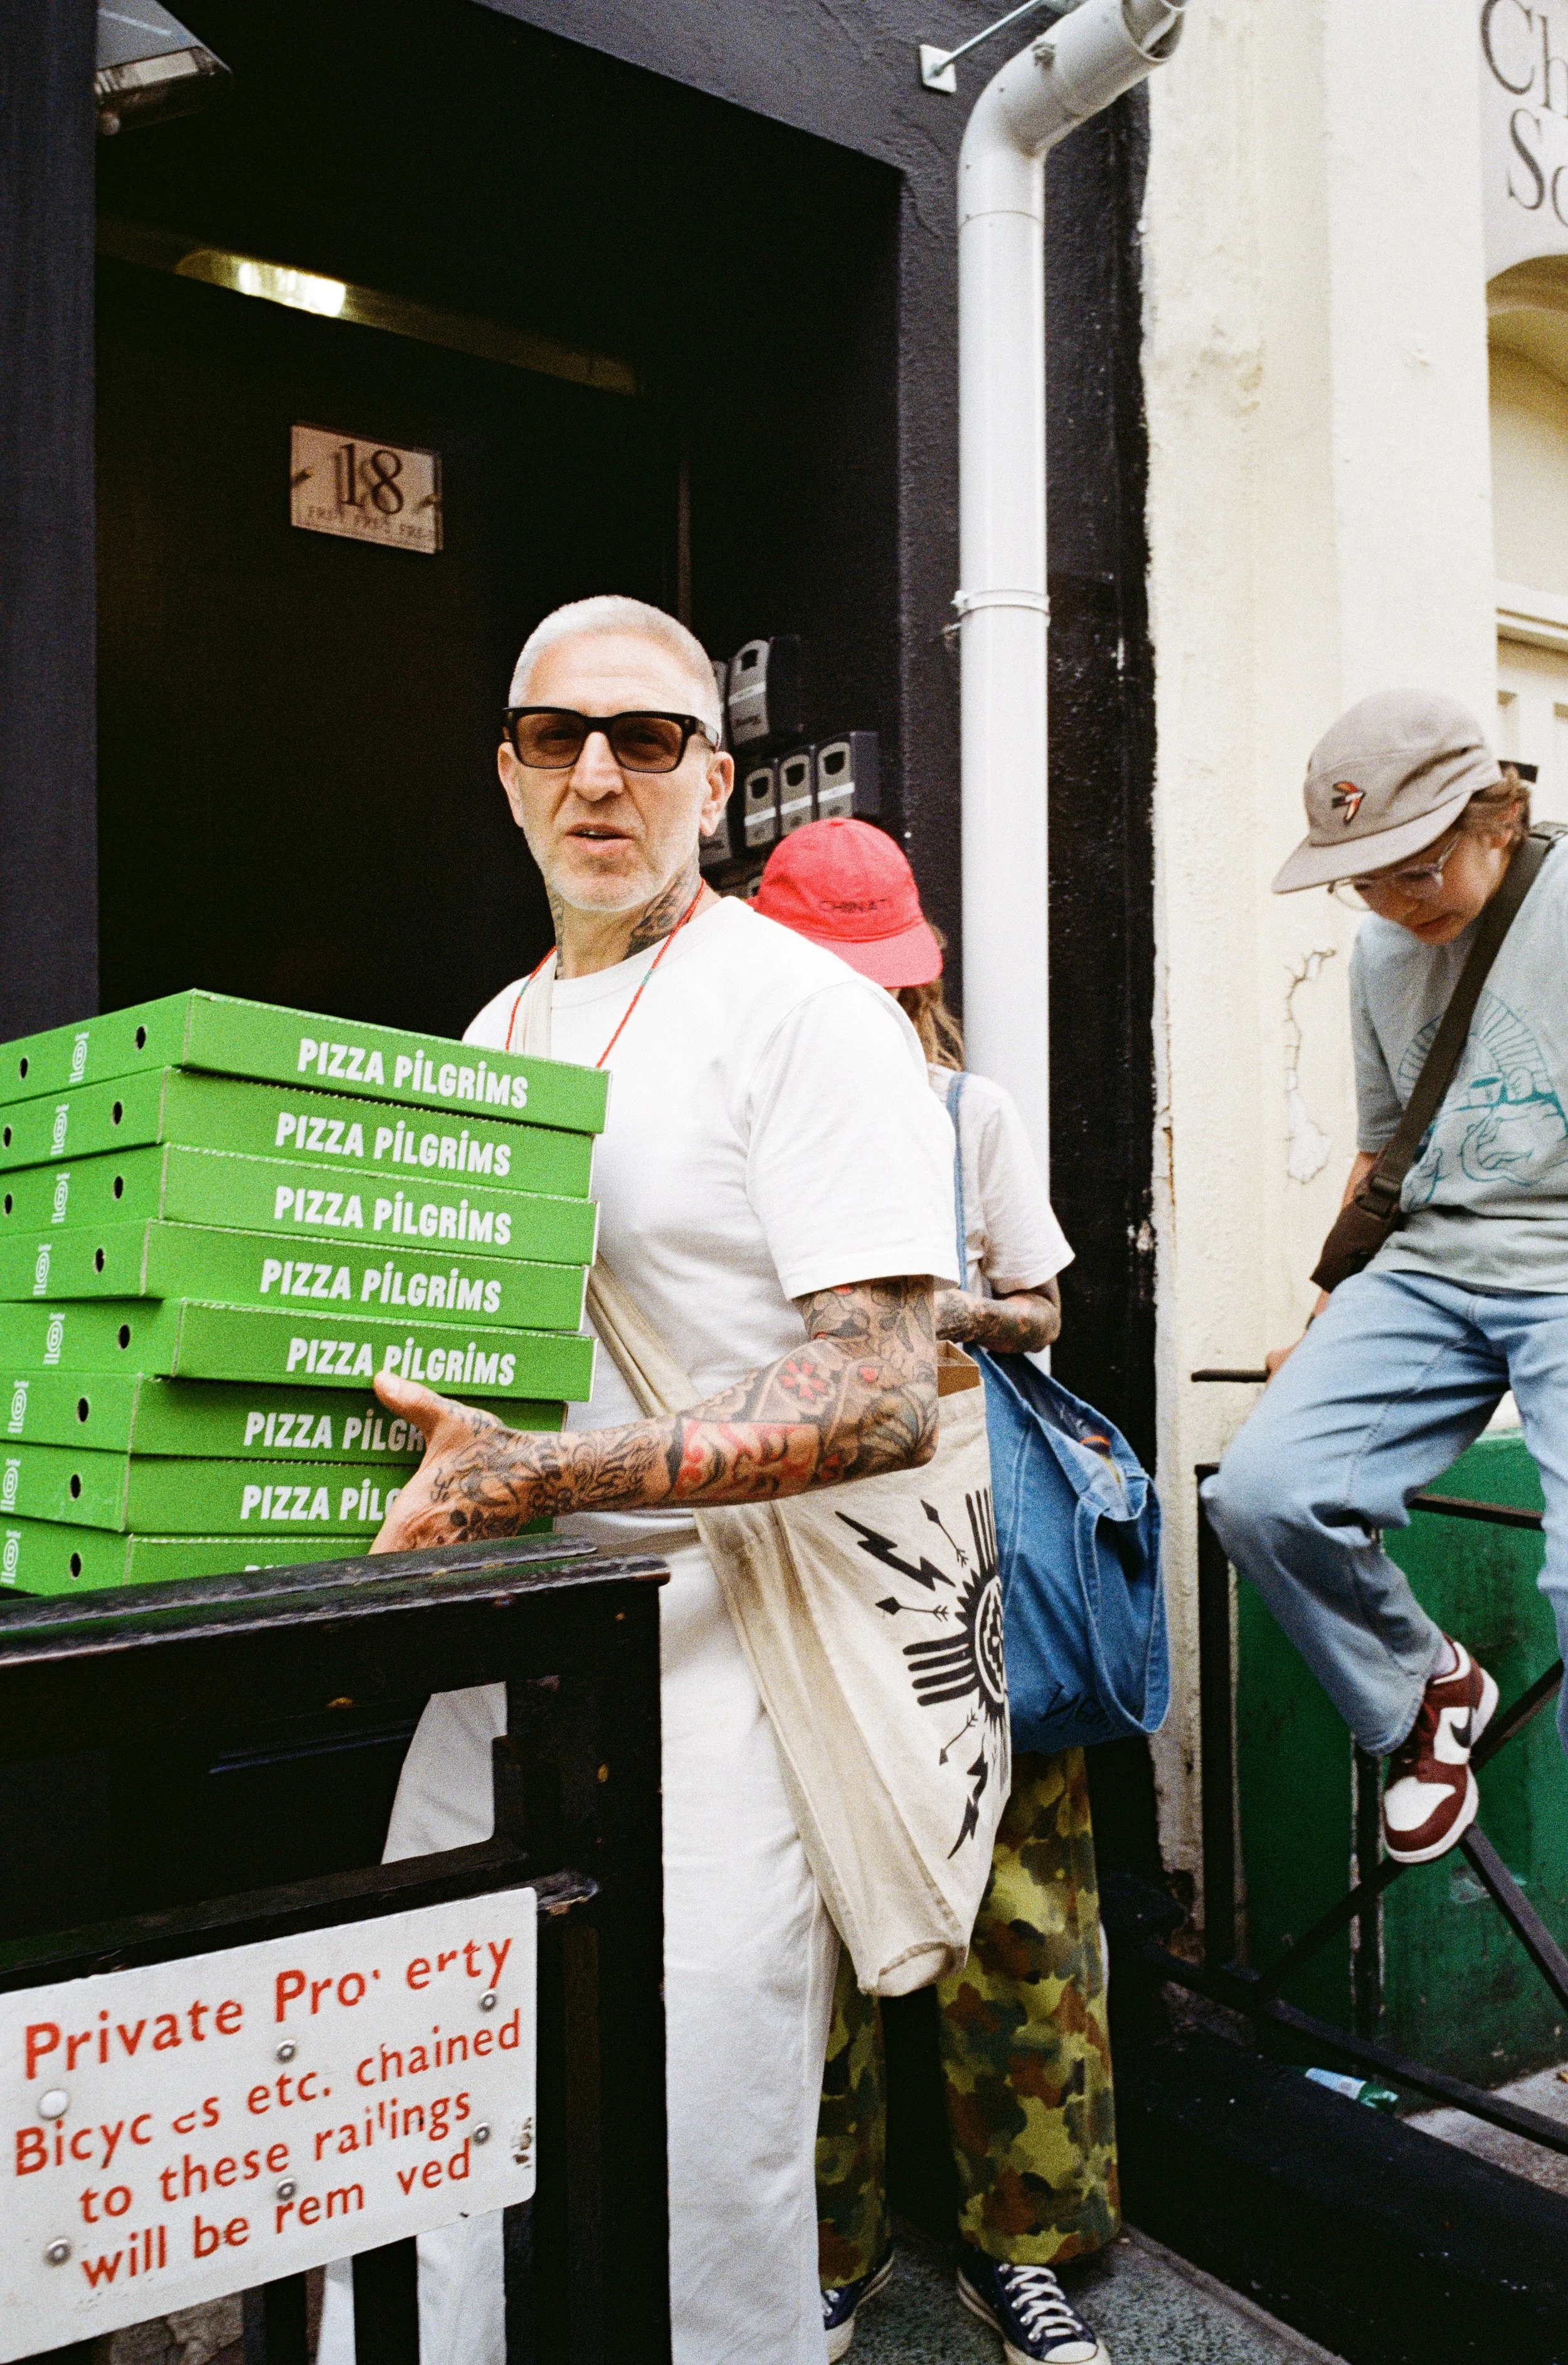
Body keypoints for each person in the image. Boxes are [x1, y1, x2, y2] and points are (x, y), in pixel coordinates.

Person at [315, 597, 958, 2365]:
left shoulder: (805, 1014)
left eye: (649, 738)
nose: (598, 774)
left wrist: (542, 1478)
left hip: (724, 1670)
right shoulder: (495, 1027)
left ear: (714, 781)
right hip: (494, 1660)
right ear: (507, 773)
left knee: (696, 2164)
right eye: (557, 736)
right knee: (423, 2120)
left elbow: (883, 1391)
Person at [756, 817, 1118, 2365]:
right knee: (803, 1903)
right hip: (786, 1544)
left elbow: (1041, 1307)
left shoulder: (967, 1110)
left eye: (882, 978)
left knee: (1017, 1899)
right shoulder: (735, 1104)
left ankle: (1024, 2246)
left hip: (972, 1543)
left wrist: (915, 1305)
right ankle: (815, 2248)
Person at [1207, 688, 1568, 1869]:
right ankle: (1424, 1687)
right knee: (1262, 1492)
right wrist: (1324, 1321)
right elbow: (1381, 1157)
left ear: (1496, 821)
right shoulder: (1377, 954)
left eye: (1417, 870)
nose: (1398, 903)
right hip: (1425, 1268)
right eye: (1366, 880)